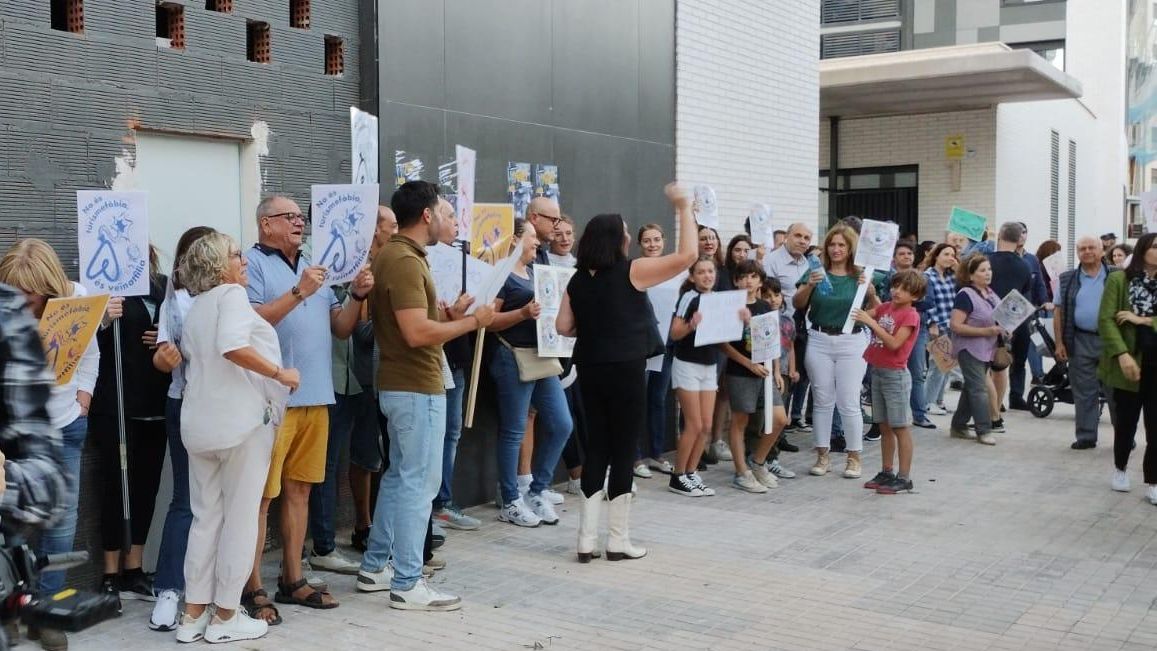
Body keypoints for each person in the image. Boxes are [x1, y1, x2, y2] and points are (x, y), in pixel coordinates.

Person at [356, 180, 494, 609]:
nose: (451, 220)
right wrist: (473, 322)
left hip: (404, 387)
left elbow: (411, 323)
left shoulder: (399, 256)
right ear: (428, 215)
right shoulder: (405, 260)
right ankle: (407, 582)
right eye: (446, 211)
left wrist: (450, 315)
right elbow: (416, 333)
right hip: (415, 387)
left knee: (401, 478)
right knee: (419, 485)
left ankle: (377, 566)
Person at [242, 195, 372, 616]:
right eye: (290, 216)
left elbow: (340, 329)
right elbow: (250, 324)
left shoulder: (313, 264)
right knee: (261, 497)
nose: (300, 222)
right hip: (271, 399)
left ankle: (292, 578)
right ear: (266, 224)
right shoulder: (253, 264)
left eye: (302, 217)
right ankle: (251, 585)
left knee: (300, 491)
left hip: (317, 395)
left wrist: (354, 295)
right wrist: (300, 291)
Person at [555, 182, 697, 562]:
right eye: (625, 230)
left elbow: (563, 327)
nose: (631, 236)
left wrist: (597, 323)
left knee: (597, 445)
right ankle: (617, 540)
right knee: (622, 449)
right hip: (626, 367)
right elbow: (687, 256)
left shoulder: (576, 279)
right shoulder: (632, 271)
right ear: (615, 239)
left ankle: (586, 540)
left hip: (591, 365)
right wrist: (684, 207)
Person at [174, 232, 300, 644]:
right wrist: (280, 374)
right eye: (234, 254)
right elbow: (231, 346)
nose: (242, 260)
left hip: (200, 425)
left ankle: (193, 614)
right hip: (240, 425)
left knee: (206, 518)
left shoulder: (196, 305)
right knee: (241, 518)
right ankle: (226, 615)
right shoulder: (230, 296)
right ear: (217, 265)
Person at [0, 239, 103, 651]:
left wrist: (85, 397)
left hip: (63, 423)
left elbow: (90, 353)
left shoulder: (75, 301)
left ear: (47, 286)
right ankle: (10, 609)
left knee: (61, 522)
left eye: (28, 293)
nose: (21, 301)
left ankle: (45, 612)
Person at [88, 245, 170, 602]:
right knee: (114, 486)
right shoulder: (102, 293)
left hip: (156, 403)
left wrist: (167, 338)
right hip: (115, 405)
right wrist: (102, 319)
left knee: (146, 487)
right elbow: (83, 344)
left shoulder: (164, 288)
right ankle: (110, 572)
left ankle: (134, 567)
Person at [148, 226, 217, 632]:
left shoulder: (234, 298)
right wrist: (167, 358)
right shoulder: (176, 302)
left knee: (225, 503)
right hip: (185, 404)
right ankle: (169, 590)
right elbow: (161, 358)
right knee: (187, 501)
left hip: (228, 409)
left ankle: (220, 593)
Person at [489, 219, 573, 527]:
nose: (538, 243)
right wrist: (522, 313)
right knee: (513, 431)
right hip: (512, 356)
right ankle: (510, 499)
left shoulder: (538, 272)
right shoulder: (502, 275)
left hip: (542, 357)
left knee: (562, 424)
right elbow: (488, 320)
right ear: (515, 240)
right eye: (532, 237)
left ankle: (537, 490)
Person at [792, 225, 879, 479]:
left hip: (851, 341)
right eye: (832, 244)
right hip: (819, 338)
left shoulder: (861, 275)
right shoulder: (816, 271)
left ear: (850, 247)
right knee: (822, 400)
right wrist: (809, 285)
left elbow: (879, 311)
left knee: (849, 400)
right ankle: (822, 455)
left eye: (842, 245)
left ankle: (854, 457)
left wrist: (871, 294)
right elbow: (798, 303)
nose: (837, 249)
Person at [430, 202, 481, 532]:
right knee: (436, 435)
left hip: (458, 358)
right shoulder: (423, 260)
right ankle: (436, 504)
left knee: (451, 433)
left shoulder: (462, 260)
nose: (454, 224)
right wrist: (454, 314)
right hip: (433, 360)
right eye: (449, 217)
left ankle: (443, 500)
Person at [350, 206, 398, 547]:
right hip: (366, 375)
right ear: (375, 231)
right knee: (366, 454)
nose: (397, 231)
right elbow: (361, 333)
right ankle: (364, 525)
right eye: (391, 225)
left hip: (391, 377)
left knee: (386, 456)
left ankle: (389, 525)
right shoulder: (361, 269)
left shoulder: (394, 264)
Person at [856, 270, 927, 495]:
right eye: (896, 286)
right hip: (877, 370)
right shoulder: (886, 307)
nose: (897, 291)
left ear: (915, 295)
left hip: (895, 375)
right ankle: (887, 471)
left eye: (905, 289)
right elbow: (869, 311)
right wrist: (867, 292)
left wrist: (871, 322)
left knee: (900, 427)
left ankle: (904, 477)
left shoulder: (911, 315)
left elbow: (895, 343)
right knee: (884, 426)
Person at [1100, 233, 1157, 498]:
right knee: (1126, 421)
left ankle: (1153, 481)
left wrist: (1142, 320)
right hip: (1130, 362)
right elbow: (1106, 320)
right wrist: (1122, 354)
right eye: (1156, 247)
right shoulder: (1118, 279)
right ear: (1144, 249)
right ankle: (1120, 468)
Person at [719, 261, 782, 493]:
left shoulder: (765, 306)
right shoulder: (730, 306)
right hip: (740, 372)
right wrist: (748, 363)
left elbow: (772, 341)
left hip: (765, 372)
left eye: (753, 276)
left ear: (760, 281)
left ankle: (758, 462)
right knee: (739, 421)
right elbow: (722, 344)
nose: (748, 281)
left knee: (779, 419)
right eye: (743, 276)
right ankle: (741, 472)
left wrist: (776, 370)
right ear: (736, 280)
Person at [665, 257, 720, 496]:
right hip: (687, 364)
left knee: (706, 426)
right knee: (694, 424)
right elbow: (674, 333)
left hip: (709, 365)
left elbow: (724, 332)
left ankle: (691, 472)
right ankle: (678, 476)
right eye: (702, 272)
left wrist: (741, 320)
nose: (707, 276)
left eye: (710, 271)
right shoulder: (689, 297)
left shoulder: (718, 299)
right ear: (692, 276)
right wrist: (691, 325)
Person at [1054, 236, 1114, 451]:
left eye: (1091, 248)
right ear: (1077, 252)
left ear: (1102, 251)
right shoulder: (1067, 279)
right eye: (1082, 248)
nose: (1087, 251)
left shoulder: (1117, 275)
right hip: (1079, 340)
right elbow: (1058, 311)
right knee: (1084, 391)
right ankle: (1086, 436)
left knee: (1116, 391)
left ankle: (1125, 435)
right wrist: (1059, 343)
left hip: (1111, 341)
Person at [948, 255, 1003, 445]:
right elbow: (955, 325)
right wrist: (986, 331)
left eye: (989, 269)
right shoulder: (965, 294)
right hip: (969, 349)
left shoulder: (990, 293)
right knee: (980, 390)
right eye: (982, 270)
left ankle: (958, 426)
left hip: (987, 349)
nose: (987, 273)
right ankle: (983, 430)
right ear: (971, 275)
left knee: (971, 388)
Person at [764, 223, 812, 434]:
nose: (802, 241)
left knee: (795, 377)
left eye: (807, 238)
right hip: (775, 328)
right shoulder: (772, 260)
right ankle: (774, 431)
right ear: (787, 237)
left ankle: (783, 428)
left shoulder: (808, 263)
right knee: (779, 380)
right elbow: (765, 293)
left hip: (801, 327)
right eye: (798, 236)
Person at [637, 224, 676, 477]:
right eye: (647, 240)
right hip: (641, 347)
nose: (652, 244)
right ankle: (635, 456)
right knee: (637, 401)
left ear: (664, 241)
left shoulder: (674, 270)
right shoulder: (636, 270)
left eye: (656, 239)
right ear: (640, 244)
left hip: (667, 345)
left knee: (658, 400)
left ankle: (656, 454)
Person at [986, 222, 1032, 428]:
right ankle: (996, 409)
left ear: (1000, 236)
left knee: (983, 369)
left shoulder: (986, 262)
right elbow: (1024, 293)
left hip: (983, 318)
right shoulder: (1025, 265)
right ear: (1019, 239)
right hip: (1011, 321)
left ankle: (989, 411)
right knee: (1001, 367)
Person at [921, 243, 959, 415]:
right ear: (936, 256)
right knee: (936, 365)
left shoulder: (952, 276)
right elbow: (928, 302)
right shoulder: (928, 276)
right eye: (946, 254)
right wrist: (932, 323)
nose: (950, 257)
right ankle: (928, 402)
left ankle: (939, 400)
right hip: (938, 325)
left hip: (952, 325)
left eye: (952, 254)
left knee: (947, 365)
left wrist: (958, 268)